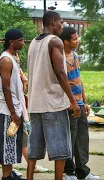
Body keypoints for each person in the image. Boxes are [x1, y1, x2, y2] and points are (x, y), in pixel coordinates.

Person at [26, 11, 81, 180]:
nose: (62, 26)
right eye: (61, 22)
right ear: (53, 22)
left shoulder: (33, 43)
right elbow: (60, 72)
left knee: (34, 149)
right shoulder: (55, 41)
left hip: (35, 103)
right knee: (60, 150)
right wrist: (72, 100)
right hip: (53, 102)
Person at [0, 54, 48, 177]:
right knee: (19, 142)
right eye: (16, 58)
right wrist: (11, 110)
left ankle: (14, 171)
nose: (17, 59)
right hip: (9, 112)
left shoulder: (17, 71)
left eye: (18, 58)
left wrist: (23, 82)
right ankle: (18, 170)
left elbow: (21, 92)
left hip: (20, 111)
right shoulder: (7, 67)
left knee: (21, 141)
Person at [59, 27, 100, 180]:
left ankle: (83, 171)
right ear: (66, 41)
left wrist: (85, 101)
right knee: (70, 137)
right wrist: (71, 102)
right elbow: (61, 83)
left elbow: (78, 79)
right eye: (75, 39)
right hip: (69, 105)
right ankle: (68, 172)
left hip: (80, 103)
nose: (78, 41)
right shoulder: (60, 59)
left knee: (82, 137)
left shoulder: (75, 56)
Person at [0, 28, 27, 180]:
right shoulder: (6, 60)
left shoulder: (13, 58)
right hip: (7, 109)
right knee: (7, 143)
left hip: (14, 108)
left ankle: (10, 173)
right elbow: (6, 88)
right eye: (20, 40)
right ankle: (6, 176)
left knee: (12, 143)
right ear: (11, 42)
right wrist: (13, 112)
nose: (23, 43)